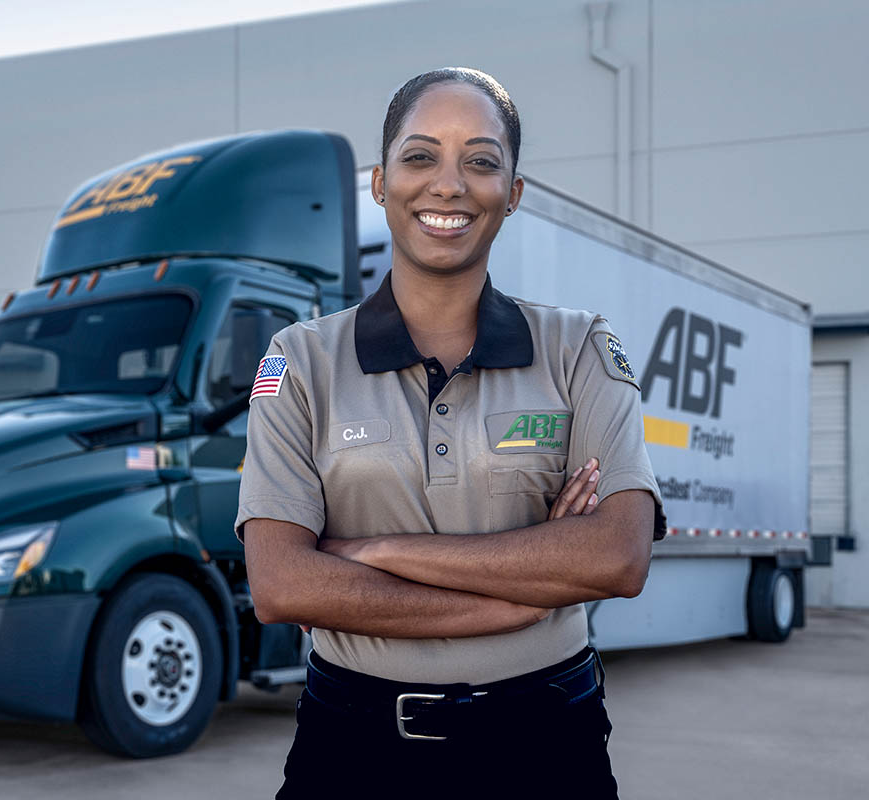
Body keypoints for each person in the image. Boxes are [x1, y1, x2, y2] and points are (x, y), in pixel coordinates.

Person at [235, 67, 666, 798]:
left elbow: (617, 559)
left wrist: (377, 551)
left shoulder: (578, 348)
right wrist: (526, 598)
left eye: (482, 161)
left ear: (513, 194)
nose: (449, 184)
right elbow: (281, 586)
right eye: (420, 155)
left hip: (546, 744)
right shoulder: (300, 360)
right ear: (381, 183)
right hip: (353, 746)